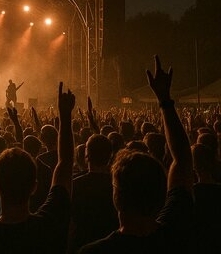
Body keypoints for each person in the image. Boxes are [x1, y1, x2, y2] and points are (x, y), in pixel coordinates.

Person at [78, 55, 196, 252]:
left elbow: (183, 159)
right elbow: (183, 159)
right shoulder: (174, 233)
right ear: (160, 193)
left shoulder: (91, 252)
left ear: (116, 196)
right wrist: (165, 101)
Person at [0, 81, 75, 254]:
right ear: (34, 187)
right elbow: (65, 164)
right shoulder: (48, 226)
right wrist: (65, 118)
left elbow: (64, 164)